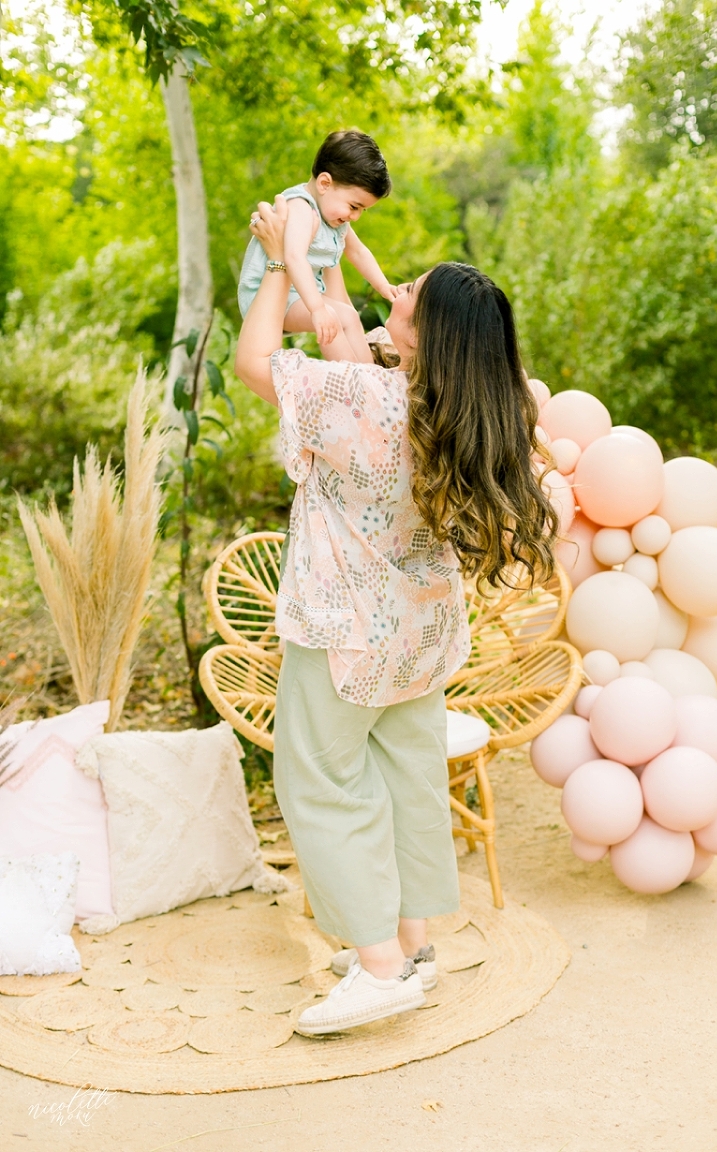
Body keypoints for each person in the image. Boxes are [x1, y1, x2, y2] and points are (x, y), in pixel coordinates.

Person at [234, 195, 558, 1037]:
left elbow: (255, 359)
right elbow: (343, 320)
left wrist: (275, 264)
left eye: (411, 289)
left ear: (426, 333)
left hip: (346, 630)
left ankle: (379, 969)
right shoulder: (469, 414)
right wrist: (319, 263)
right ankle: (412, 945)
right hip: (421, 636)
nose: (399, 286)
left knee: (319, 780)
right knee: (407, 779)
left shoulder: (364, 400)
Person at [238, 130, 394, 364]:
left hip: (298, 295)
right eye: (354, 206)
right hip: (268, 297)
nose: (355, 216)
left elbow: (358, 251)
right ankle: (352, 380)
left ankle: (369, 374)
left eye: (363, 210)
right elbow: (294, 257)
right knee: (334, 317)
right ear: (324, 183)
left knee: (350, 316)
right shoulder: (301, 207)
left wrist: (383, 286)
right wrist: (318, 309)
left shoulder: (334, 218)